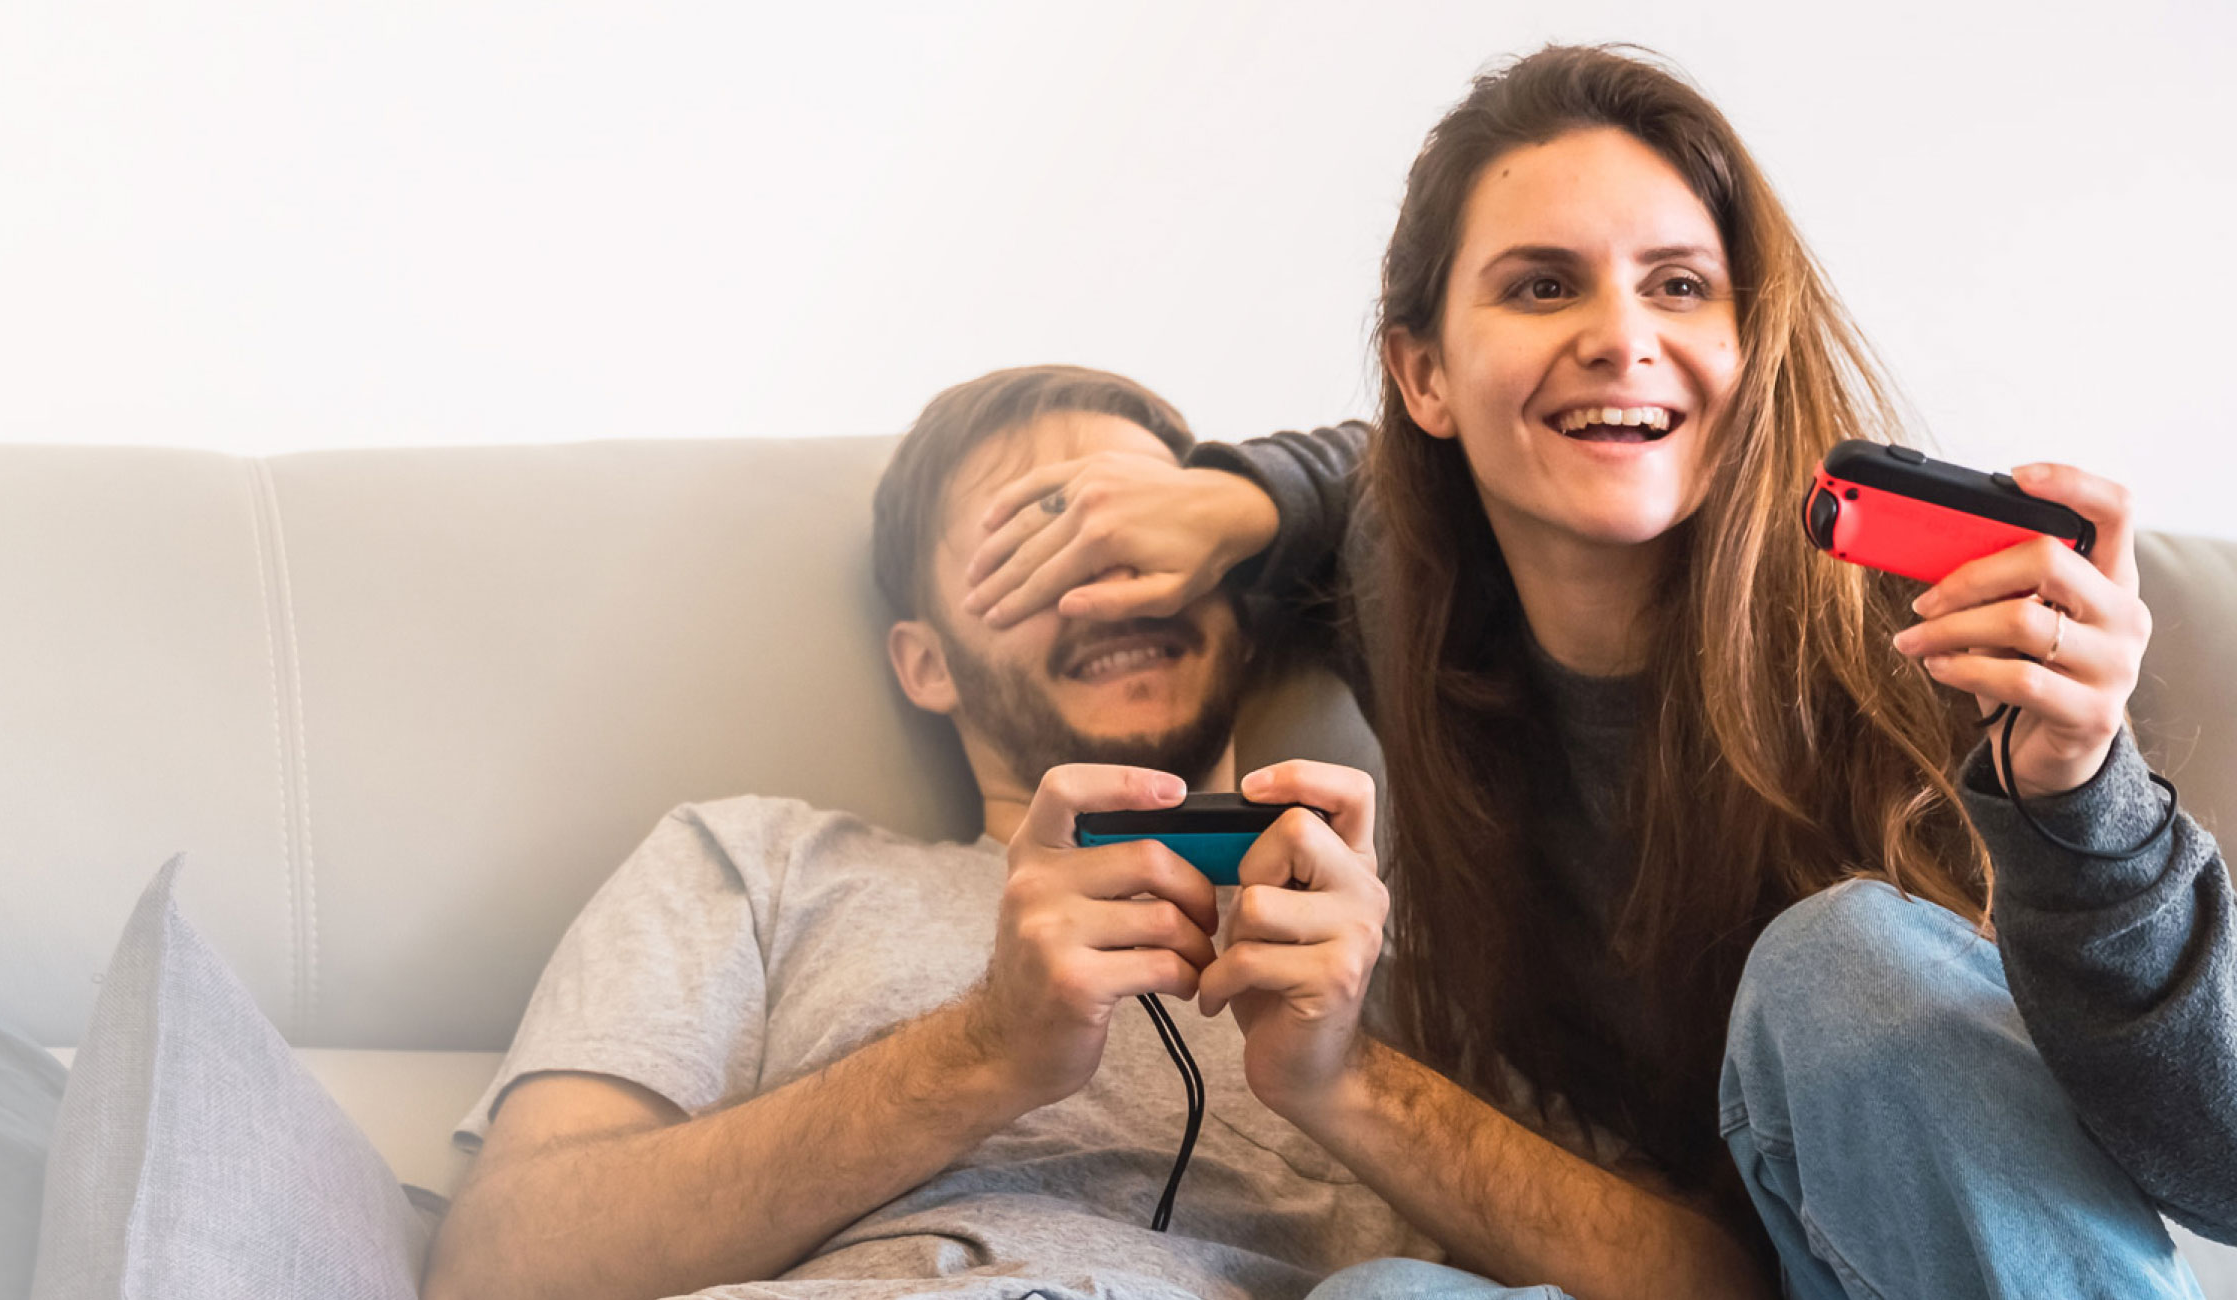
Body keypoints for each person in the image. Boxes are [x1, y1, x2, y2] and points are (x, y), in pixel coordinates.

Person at [960, 45, 2234, 1299]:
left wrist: (2081, 803)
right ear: (1425, 374)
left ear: (1750, 345)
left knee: (1836, 961)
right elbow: (1356, 479)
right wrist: (1233, 498)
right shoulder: (1418, 600)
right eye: (1541, 287)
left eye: (1680, 286)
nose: (1622, 337)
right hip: (1705, 1262)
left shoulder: (1930, 627)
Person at [419, 365, 1466, 1300]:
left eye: (1141, 537)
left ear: (1244, 604)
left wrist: (1354, 1082)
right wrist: (983, 1052)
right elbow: (499, 1270)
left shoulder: (1411, 907)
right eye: (1030, 545)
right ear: (925, 663)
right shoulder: (755, 863)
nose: (1106, 588)